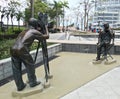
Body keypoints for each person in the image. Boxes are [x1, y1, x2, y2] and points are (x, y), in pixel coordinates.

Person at [10, 18, 48, 91]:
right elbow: (46, 37)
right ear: (35, 25)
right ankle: (33, 82)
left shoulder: (23, 31)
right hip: (22, 50)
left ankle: (20, 86)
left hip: (13, 49)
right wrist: (46, 28)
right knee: (30, 65)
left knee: (16, 69)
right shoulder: (34, 31)